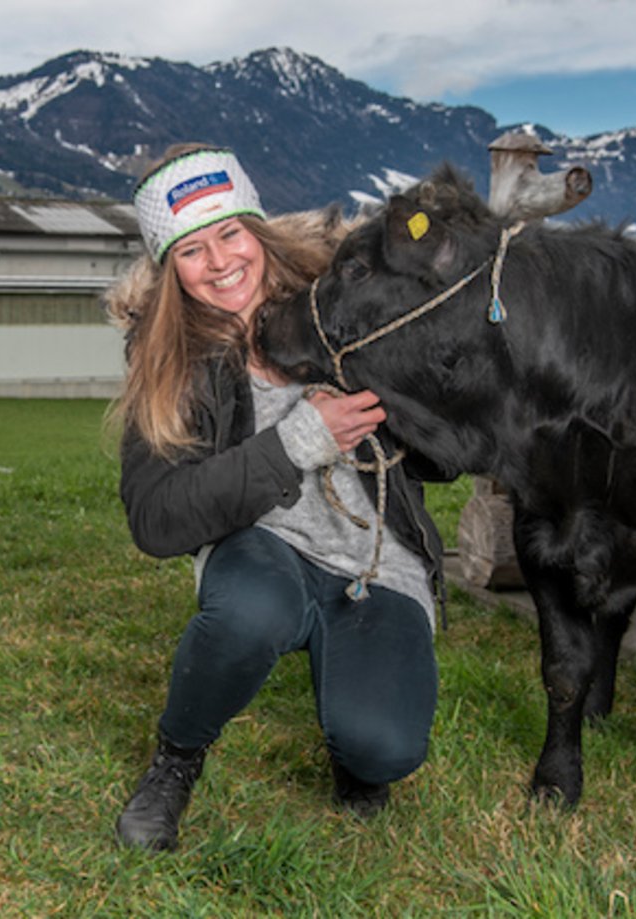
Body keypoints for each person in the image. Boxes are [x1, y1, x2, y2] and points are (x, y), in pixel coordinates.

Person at [104, 143, 445, 852]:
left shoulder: (344, 303)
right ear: (169, 266)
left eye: (230, 233)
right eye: (191, 250)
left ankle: (354, 739)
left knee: (384, 749)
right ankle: (176, 759)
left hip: (376, 561)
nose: (220, 261)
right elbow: (156, 518)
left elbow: (443, 458)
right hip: (263, 548)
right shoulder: (172, 356)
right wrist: (300, 439)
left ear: (257, 229)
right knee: (252, 611)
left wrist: (405, 396)